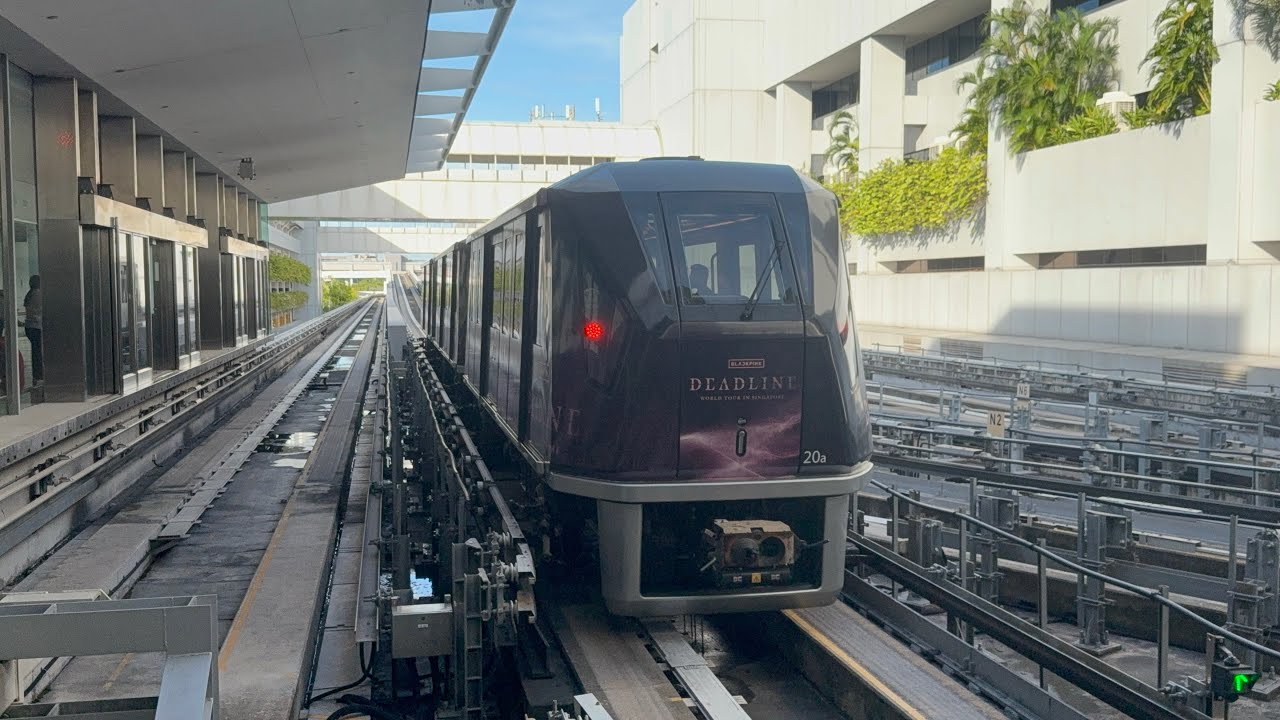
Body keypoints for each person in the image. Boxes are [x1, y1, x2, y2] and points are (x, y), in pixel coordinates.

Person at [23, 275, 41, 384]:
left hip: (29, 326)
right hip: (37, 326)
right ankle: (39, 374)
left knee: (35, 351)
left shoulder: (29, 294)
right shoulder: (38, 294)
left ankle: (36, 375)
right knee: (39, 352)